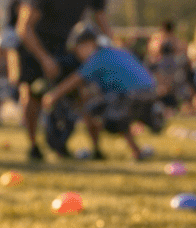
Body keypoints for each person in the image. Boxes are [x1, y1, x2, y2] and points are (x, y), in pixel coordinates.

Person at [16, 0, 112, 161]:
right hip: (35, 44)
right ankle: (34, 146)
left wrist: (115, 49)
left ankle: (95, 147)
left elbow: (102, 21)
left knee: (83, 93)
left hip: (66, 46)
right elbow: (25, 27)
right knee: (32, 96)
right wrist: (45, 59)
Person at [39, 25, 162, 161]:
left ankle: (97, 150)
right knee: (116, 112)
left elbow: (75, 79)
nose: (78, 54)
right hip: (150, 93)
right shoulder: (116, 52)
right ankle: (138, 146)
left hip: (132, 94)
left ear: (88, 44)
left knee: (92, 110)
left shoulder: (97, 58)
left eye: (78, 49)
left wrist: (52, 95)